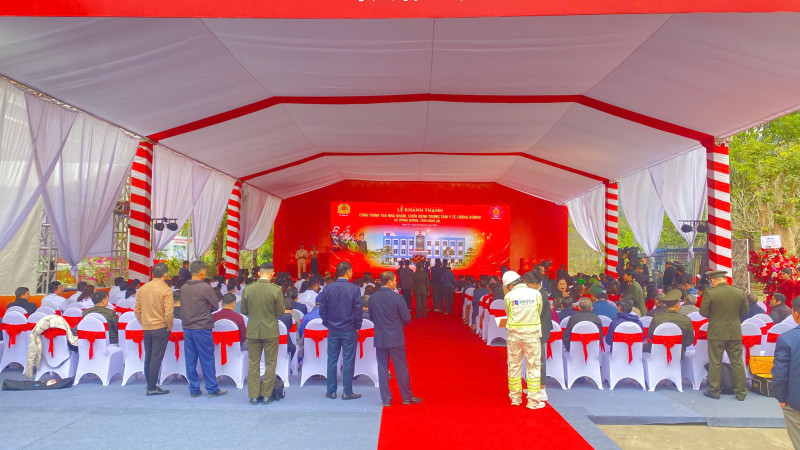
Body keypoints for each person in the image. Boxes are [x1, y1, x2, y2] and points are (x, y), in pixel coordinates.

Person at [368, 271, 422, 407]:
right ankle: (406, 397)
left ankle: (386, 399)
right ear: (389, 282)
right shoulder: (397, 298)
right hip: (395, 337)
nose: (396, 283)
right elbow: (407, 318)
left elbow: (371, 317)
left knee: (382, 369)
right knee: (401, 368)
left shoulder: (373, 298)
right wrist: (398, 324)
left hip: (380, 337)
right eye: (395, 281)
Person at [700, 270, 748, 401]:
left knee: (715, 362)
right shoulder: (739, 292)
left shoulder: (710, 293)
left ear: (714, 281)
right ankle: (741, 392)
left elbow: (703, 312)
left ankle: (714, 390)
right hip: (734, 332)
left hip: (716, 332)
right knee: (737, 362)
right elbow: (745, 311)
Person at [240, 262, 284, 405]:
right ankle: (266, 395)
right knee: (270, 363)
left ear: (259, 273)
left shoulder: (248, 289)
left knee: (253, 363)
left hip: (253, 330)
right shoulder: (276, 290)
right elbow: (280, 312)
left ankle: (253, 395)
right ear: (272, 274)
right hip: (270, 330)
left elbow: (244, 310)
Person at [318, 261, 363, 400]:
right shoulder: (354, 289)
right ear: (348, 272)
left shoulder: (328, 288)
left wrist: (327, 323)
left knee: (332, 359)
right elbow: (358, 311)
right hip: (349, 329)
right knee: (348, 360)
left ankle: (331, 391)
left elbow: (322, 309)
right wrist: (357, 326)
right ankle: (347, 391)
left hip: (333, 328)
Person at [181, 261, 226, 398]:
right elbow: (216, 305)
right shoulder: (205, 287)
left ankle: (193, 389)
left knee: (190, 359)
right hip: (202, 326)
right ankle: (212, 389)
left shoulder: (184, 287)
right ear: (202, 272)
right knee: (207, 358)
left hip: (187, 327)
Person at [502, 271, 544, 409]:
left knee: (514, 366)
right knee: (533, 367)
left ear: (509, 285)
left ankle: (515, 398)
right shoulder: (536, 294)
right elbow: (538, 312)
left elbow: (508, 314)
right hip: (532, 336)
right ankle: (533, 400)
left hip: (514, 336)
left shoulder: (508, 296)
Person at [134, 262, 174, 396]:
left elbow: (137, 311)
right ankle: (152, 387)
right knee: (156, 358)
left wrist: (144, 323)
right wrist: (169, 326)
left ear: (152, 274)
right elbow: (169, 312)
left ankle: (149, 383)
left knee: (149, 356)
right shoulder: (166, 290)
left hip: (147, 327)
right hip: (160, 327)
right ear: (165, 274)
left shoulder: (142, 289)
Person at [771, 299, 800, 448]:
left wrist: (781, 397)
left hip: (796, 402)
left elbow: (780, 373)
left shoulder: (787, 338)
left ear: (795, 314)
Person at [523, 271, 550, 402]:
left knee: (539, 361)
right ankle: (534, 387)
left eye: (527, 285)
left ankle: (542, 389)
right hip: (536, 330)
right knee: (533, 360)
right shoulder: (539, 293)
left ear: (534, 283)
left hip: (539, 331)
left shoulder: (540, 295)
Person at [647, 289, 694, 359]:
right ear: (677, 305)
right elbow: (689, 341)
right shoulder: (686, 320)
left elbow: (650, 335)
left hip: (658, 353)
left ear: (666, 305)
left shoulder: (657, 318)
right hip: (678, 354)